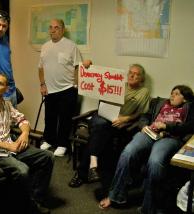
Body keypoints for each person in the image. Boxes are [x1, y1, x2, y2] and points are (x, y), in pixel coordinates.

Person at [99, 85, 194, 214]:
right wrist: (143, 125)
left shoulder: (189, 107)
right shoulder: (160, 103)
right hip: (150, 133)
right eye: (172, 92)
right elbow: (145, 116)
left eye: (177, 94)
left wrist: (166, 126)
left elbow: (189, 127)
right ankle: (115, 195)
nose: (172, 95)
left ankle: (148, 207)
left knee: (155, 161)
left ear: (185, 99)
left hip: (169, 138)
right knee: (128, 152)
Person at [0, 73, 54, 214]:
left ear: (6, 88)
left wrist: (25, 134)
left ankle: (35, 200)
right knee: (22, 170)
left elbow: (22, 120)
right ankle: (28, 207)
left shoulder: (7, 105)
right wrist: (9, 146)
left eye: (0, 83)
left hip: (14, 147)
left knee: (48, 157)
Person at [69, 64, 151, 187]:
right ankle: (92, 167)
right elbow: (96, 84)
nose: (132, 75)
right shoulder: (118, 85)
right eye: (130, 73)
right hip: (102, 116)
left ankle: (84, 171)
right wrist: (87, 65)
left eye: (137, 74)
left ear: (142, 78)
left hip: (118, 124)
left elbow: (141, 114)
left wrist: (126, 118)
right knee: (100, 124)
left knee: (98, 133)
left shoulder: (143, 92)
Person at [38, 18, 88, 157]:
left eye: (56, 27)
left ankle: (62, 144)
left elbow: (78, 66)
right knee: (50, 118)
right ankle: (49, 140)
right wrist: (42, 84)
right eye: (50, 27)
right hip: (50, 90)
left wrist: (76, 86)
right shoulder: (45, 46)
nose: (52, 30)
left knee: (65, 119)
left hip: (67, 89)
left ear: (63, 29)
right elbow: (40, 68)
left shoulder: (71, 46)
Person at [0, 10, 17, 107]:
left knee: (15, 120)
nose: (0, 28)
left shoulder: (5, 38)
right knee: (3, 122)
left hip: (12, 88)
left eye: (4, 26)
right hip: (1, 92)